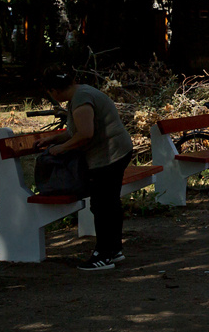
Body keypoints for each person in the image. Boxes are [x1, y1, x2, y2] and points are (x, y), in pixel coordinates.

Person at [36, 65, 135, 271]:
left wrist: (60, 149)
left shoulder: (81, 101)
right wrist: (53, 139)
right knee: (110, 203)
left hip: (108, 156)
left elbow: (85, 134)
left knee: (102, 205)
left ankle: (103, 255)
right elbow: (75, 130)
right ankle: (114, 250)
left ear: (54, 91)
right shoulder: (82, 92)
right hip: (116, 151)